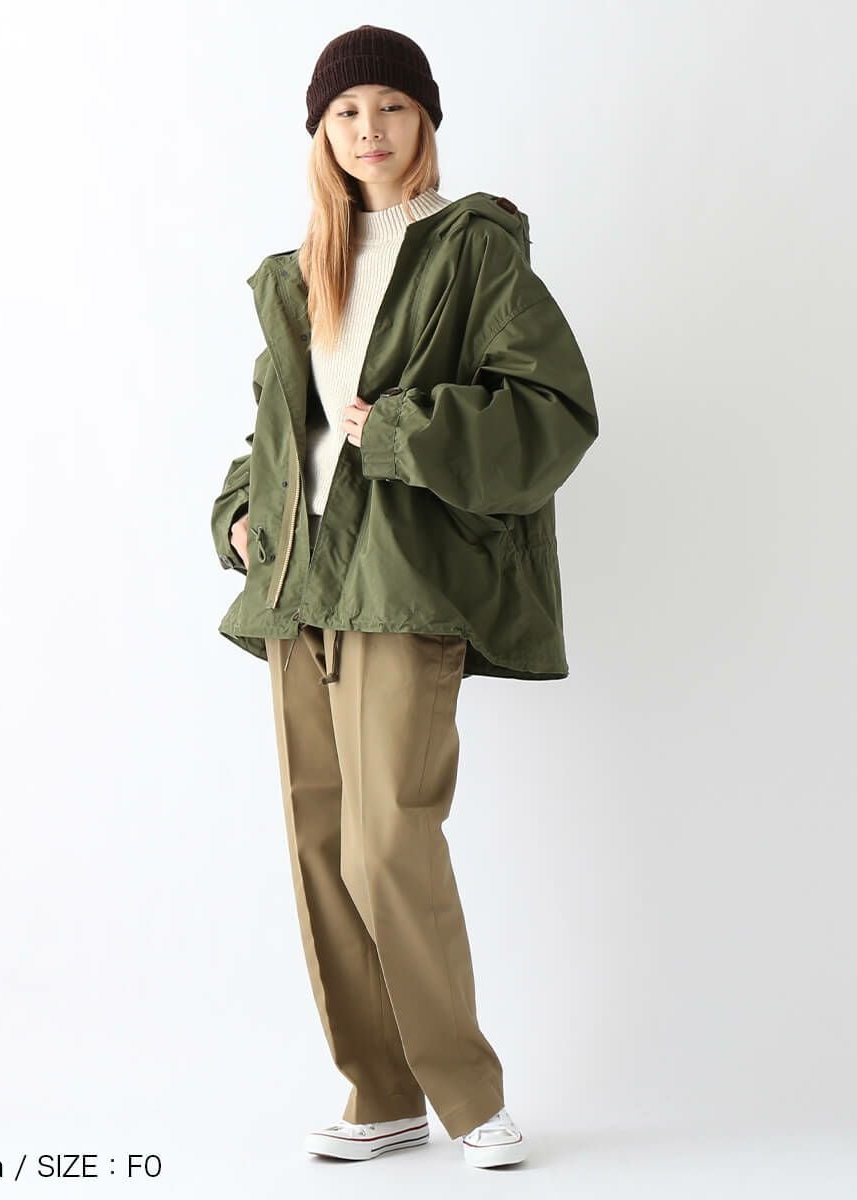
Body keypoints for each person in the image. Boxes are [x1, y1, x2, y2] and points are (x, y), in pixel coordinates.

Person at [209, 24, 598, 1170]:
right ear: (320, 134)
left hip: (403, 579)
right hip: (301, 586)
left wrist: (404, 433)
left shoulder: (471, 251)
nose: (367, 129)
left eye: (389, 106)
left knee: (390, 844)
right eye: (345, 112)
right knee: (322, 847)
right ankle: (379, 1093)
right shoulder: (300, 273)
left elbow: (553, 410)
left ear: (424, 119)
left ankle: (468, 1096)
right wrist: (235, 515)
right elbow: (276, 431)